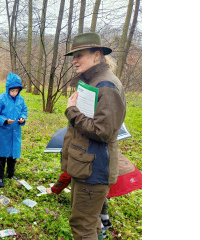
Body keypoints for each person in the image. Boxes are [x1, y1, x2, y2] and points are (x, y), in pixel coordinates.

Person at [58, 32, 126, 240]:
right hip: (85, 167)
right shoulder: (94, 81)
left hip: (93, 171)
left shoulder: (106, 86)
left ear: (97, 55)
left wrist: (71, 111)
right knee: (90, 222)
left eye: (80, 55)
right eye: (73, 56)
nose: (75, 61)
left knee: (82, 226)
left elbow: (103, 131)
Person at [0, 72, 28, 188]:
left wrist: (22, 118)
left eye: (16, 91)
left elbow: (24, 111)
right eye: (12, 91)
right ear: (8, 89)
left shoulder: (20, 99)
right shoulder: (1, 99)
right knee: (1, 156)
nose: (14, 93)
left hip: (15, 131)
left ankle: (11, 174)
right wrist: (5, 120)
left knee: (12, 155)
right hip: (2, 132)